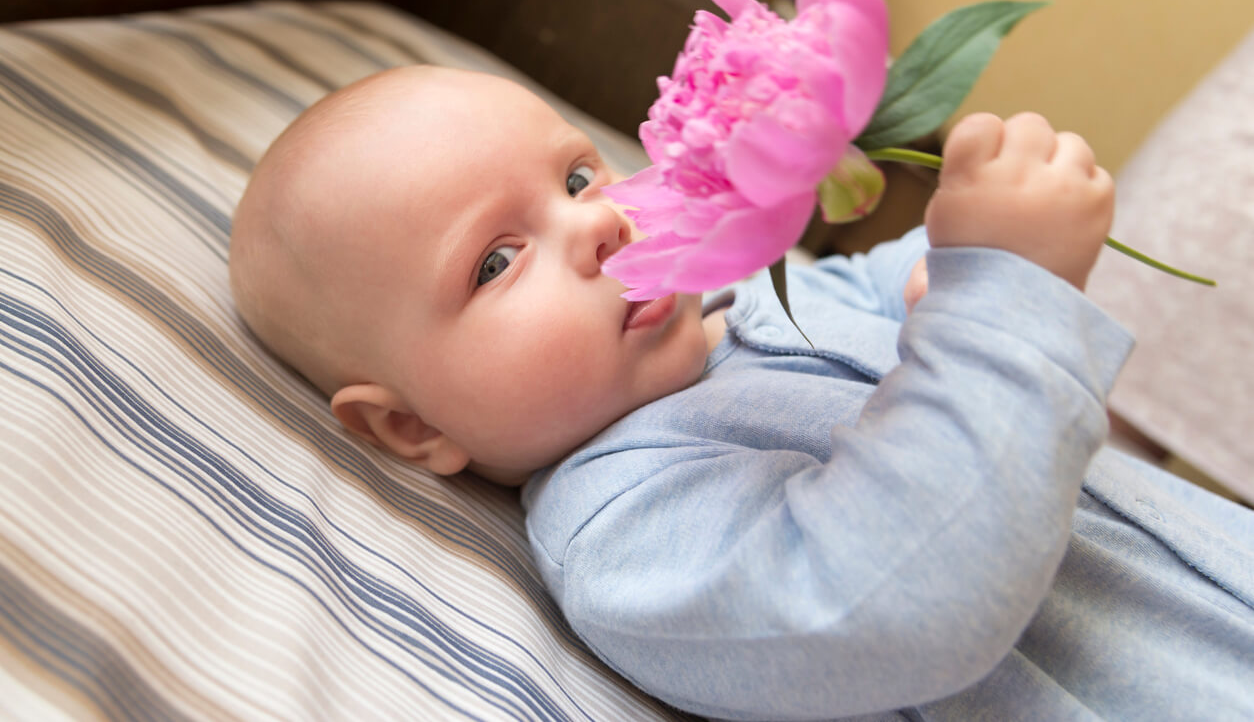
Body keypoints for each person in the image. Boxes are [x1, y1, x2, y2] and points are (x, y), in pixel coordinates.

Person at [230, 65, 1254, 721]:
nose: (599, 225)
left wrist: (966, 239)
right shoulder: (626, 526)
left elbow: (876, 292)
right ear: (411, 424)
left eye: (579, 180)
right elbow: (886, 600)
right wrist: (1005, 300)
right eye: (496, 262)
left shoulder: (743, 311)